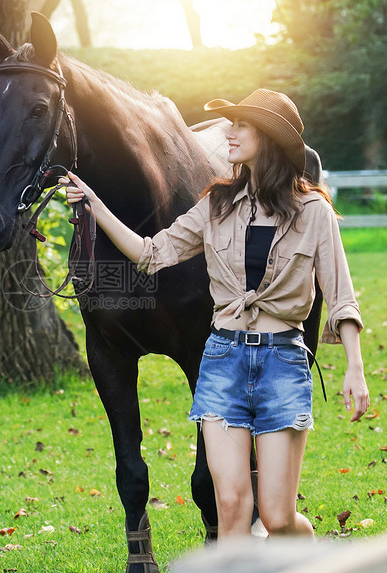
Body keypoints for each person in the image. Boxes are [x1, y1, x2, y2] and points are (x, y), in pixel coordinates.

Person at [60, 88, 369, 539]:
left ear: (270, 138)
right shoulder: (216, 204)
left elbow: (341, 296)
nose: (231, 131)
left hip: (282, 364)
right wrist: (95, 206)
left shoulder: (313, 211)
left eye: (243, 125)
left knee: (277, 516)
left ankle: (311, 559)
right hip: (223, 360)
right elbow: (150, 253)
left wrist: (354, 370)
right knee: (230, 505)